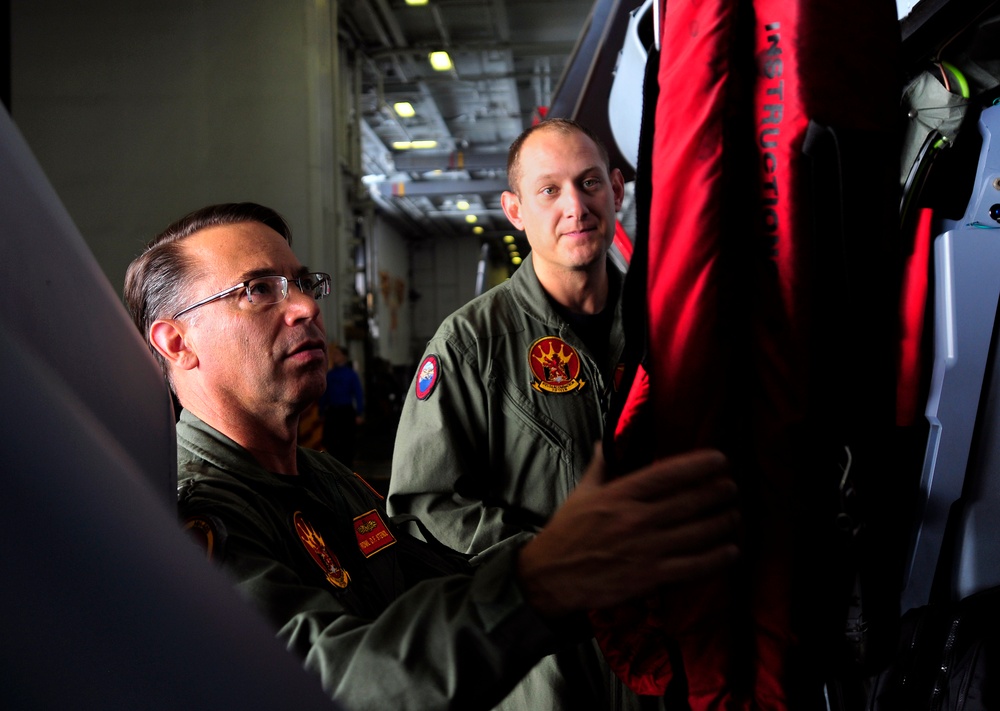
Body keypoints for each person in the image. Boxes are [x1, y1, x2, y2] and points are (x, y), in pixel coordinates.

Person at [123, 201, 741, 711]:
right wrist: (546, 578)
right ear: (176, 341)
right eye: (258, 290)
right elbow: (324, 682)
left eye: (303, 284)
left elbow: (438, 579)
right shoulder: (197, 514)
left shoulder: (326, 479)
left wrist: (605, 550)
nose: (307, 307)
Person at [387, 119, 636, 708]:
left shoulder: (669, 324)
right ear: (515, 210)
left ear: (617, 190)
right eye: (549, 190)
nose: (575, 206)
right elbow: (423, 506)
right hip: (547, 670)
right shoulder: (470, 344)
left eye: (590, 182)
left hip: (668, 653)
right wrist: (552, 561)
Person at [318, 342, 364, 467]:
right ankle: (335, 467)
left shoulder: (351, 374)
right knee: (331, 441)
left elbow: (358, 393)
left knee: (347, 441)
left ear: (344, 356)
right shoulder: (330, 374)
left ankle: (348, 468)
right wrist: (321, 411)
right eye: (333, 354)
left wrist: (359, 412)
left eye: (337, 354)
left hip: (346, 411)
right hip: (332, 411)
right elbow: (325, 394)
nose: (334, 356)